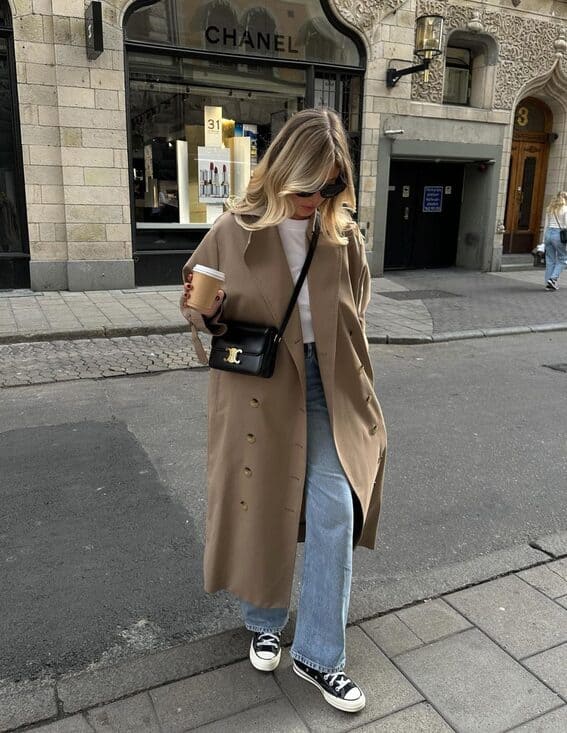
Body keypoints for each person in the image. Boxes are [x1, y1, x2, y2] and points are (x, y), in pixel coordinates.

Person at [180, 107, 386, 714]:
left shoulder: (340, 230)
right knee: (263, 504)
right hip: (264, 385)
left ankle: (320, 655)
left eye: (328, 187)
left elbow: (359, 304)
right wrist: (207, 311)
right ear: (280, 175)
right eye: (305, 188)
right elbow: (196, 298)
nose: (313, 200)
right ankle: (265, 617)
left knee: (333, 509)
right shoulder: (235, 227)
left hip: (328, 387)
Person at [536, 191, 567, 290]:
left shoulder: (549, 209)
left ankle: (548, 284)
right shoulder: (565, 209)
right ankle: (553, 279)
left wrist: (544, 241)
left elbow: (546, 225)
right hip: (559, 234)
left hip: (548, 234)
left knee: (550, 259)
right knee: (563, 258)